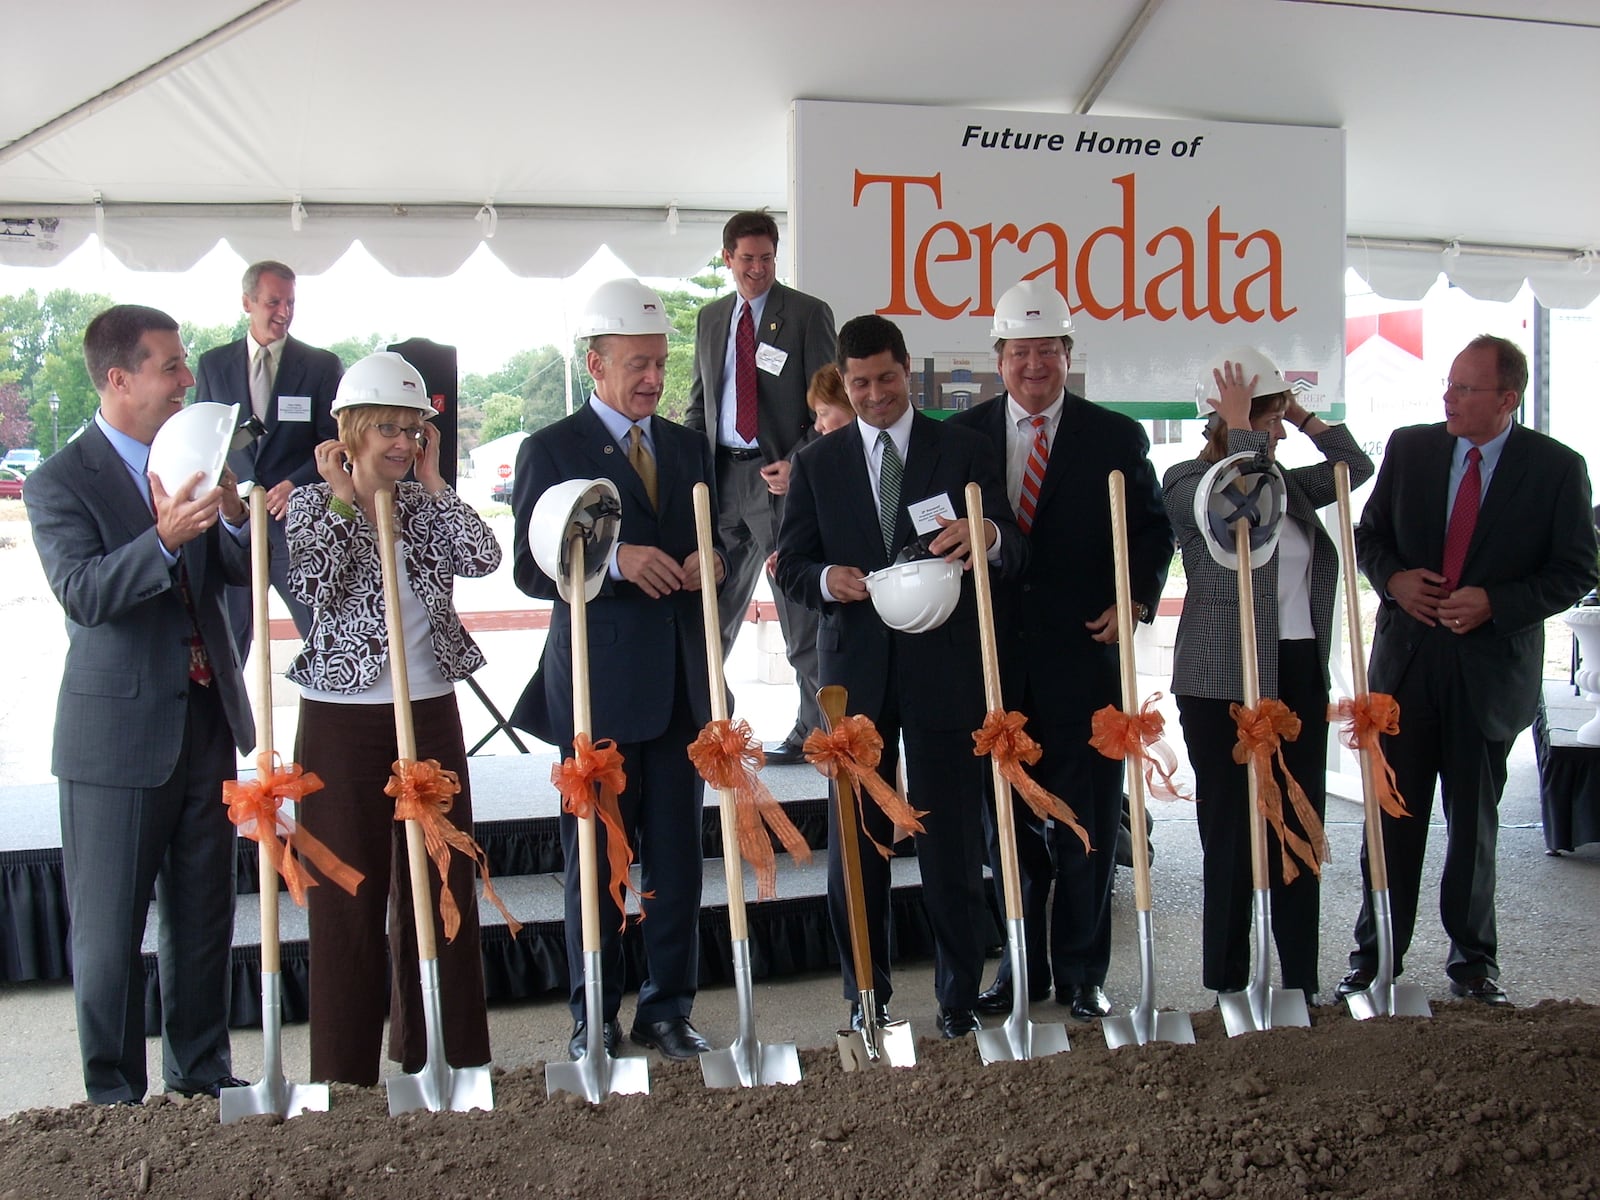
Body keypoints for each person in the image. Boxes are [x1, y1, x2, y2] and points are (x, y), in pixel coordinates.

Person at [25, 304, 254, 1104]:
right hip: (115, 738)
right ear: (119, 380)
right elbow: (83, 593)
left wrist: (232, 520)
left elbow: (230, 570)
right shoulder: (59, 480)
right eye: (170, 367)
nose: (188, 379)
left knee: (203, 919)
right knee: (110, 934)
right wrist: (160, 540)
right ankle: (113, 1099)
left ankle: (201, 1075)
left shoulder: (193, 455)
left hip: (206, 722)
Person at [775, 313, 1026, 1038]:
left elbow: (1013, 548)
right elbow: (790, 566)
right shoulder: (819, 464)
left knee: (950, 841)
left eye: (886, 378)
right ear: (843, 383)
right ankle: (864, 995)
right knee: (855, 846)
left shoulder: (964, 450)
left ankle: (957, 998)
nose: (875, 395)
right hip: (854, 679)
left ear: (906, 369)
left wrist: (989, 534)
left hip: (946, 672)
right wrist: (829, 578)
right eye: (859, 384)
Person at [1339, 334, 1596, 1006]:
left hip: (1490, 674)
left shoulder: (1558, 469)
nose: (1446, 398)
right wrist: (1393, 580)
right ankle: (1374, 957)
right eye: (1449, 385)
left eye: (1465, 389)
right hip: (1406, 666)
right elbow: (1369, 538)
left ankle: (1474, 965)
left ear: (1507, 398)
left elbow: (1576, 569)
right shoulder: (1411, 447)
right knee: (1391, 819)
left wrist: (1499, 603)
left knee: (1474, 828)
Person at [510, 278, 726, 1062]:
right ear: (595, 364)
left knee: (675, 860)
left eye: (659, 364)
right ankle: (592, 1014)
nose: (650, 379)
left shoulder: (686, 446)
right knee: (596, 862)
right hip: (597, 693)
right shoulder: (551, 449)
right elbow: (531, 575)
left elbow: (719, 526)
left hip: (681, 687)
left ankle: (666, 1009)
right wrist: (614, 559)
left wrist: (714, 556)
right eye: (636, 364)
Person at [948, 279, 1173, 1021]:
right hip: (995, 665)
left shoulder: (1114, 435)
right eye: (1020, 351)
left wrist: (1135, 596)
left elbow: (1150, 530)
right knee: (1006, 829)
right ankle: (1019, 969)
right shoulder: (965, 435)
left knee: (1086, 825)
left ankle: (1082, 974)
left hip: (1082, 662)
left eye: (1047, 350)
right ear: (999, 358)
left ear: (1068, 355)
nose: (1034, 364)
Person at [283, 350, 498, 1085]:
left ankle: (447, 1057)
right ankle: (341, 1076)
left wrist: (437, 485)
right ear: (350, 430)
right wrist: (345, 496)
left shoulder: (425, 505)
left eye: (414, 430)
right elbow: (314, 581)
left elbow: (484, 556)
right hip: (343, 720)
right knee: (346, 896)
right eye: (387, 429)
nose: (403, 444)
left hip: (430, 711)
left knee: (440, 883)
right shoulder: (315, 504)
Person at [1164, 349, 1373, 1005]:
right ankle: (1227, 981)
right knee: (1231, 828)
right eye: (1267, 419)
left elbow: (1353, 469)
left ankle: (1300, 980)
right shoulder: (1186, 479)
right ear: (1224, 419)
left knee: (1298, 824)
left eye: (1277, 420)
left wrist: (1300, 411)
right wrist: (1245, 428)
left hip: (1299, 673)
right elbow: (1239, 511)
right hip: (1221, 681)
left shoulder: (1285, 481)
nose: (1276, 433)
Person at [685, 211, 838, 764]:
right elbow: (701, 402)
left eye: (767, 258)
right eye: (747, 259)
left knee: (799, 617)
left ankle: (819, 735)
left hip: (780, 482)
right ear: (727, 258)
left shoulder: (806, 314)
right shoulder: (710, 318)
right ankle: (710, 728)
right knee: (708, 615)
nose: (757, 269)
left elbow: (831, 401)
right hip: (720, 478)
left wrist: (800, 462)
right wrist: (687, 471)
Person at [194, 260, 342, 655]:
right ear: (247, 302)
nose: (284, 312)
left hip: (297, 526)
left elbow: (336, 444)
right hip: (235, 527)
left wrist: (296, 483)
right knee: (229, 643)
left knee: (322, 638)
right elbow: (206, 444)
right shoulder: (212, 364)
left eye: (291, 302)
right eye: (273, 302)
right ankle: (233, 717)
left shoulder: (321, 366)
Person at [759, 364, 856, 742]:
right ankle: (817, 730)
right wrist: (792, 556)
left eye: (822, 413)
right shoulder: (817, 464)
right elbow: (807, 534)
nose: (817, 426)